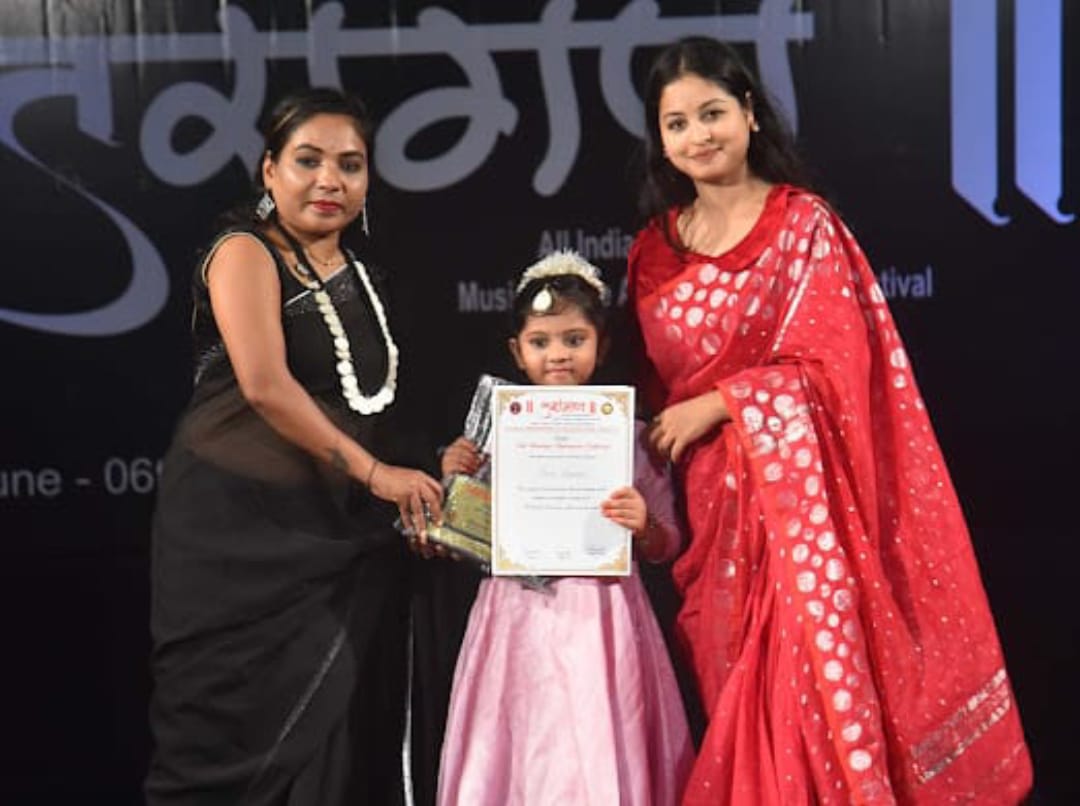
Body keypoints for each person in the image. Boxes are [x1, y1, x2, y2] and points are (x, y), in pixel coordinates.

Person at [626, 37, 1033, 805]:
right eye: (676, 124)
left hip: (803, 518)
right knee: (732, 698)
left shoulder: (802, 226)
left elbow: (838, 370)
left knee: (799, 697)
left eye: (712, 113)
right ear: (661, 139)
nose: (698, 136)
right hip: (711, 516)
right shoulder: (652, 252)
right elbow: (652, 397)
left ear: (749, 112)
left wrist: (724, 402)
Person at [146, 87, 444, 805]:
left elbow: (367, 407)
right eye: (308, 161)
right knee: (224, 745)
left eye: (350, 164)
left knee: (340, 744)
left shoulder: (361, 273)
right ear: (269, 170)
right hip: (235, 546)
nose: (329, 180)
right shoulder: (243, 252)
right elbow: (265, 387)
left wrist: (434, 476)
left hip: (335, 547)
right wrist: (378, 476)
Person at [435, 251, 694, 805]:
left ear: (601, 345)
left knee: (597, 733)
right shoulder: (498, 432)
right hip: (516, 613)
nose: (558, 354)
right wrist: (457, 477)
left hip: (602, 615)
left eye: (574, 340)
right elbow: (461, 535)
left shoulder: (630, 434)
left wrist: (644, 525)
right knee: (523, 734)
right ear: (517, 352)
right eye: (541, 342)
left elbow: (666, 543)